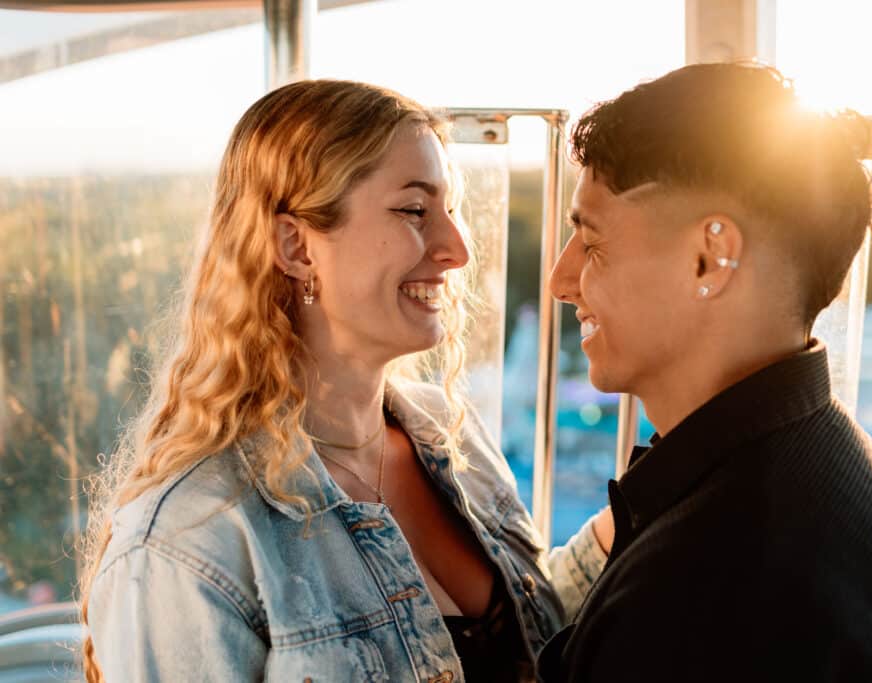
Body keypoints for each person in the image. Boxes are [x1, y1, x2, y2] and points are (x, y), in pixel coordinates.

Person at [80, 79, 610, 682]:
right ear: (296, 246)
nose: (457, 248)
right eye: (414, 210)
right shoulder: (191, 537)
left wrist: (629, 525)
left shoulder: (449, 436)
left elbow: (530, 640)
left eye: (452, 210)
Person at [537, 63, 872, 682]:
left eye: (593, 243)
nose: (560, 282)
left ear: (710, 258)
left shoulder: (699, 589)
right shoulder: (841, 466)